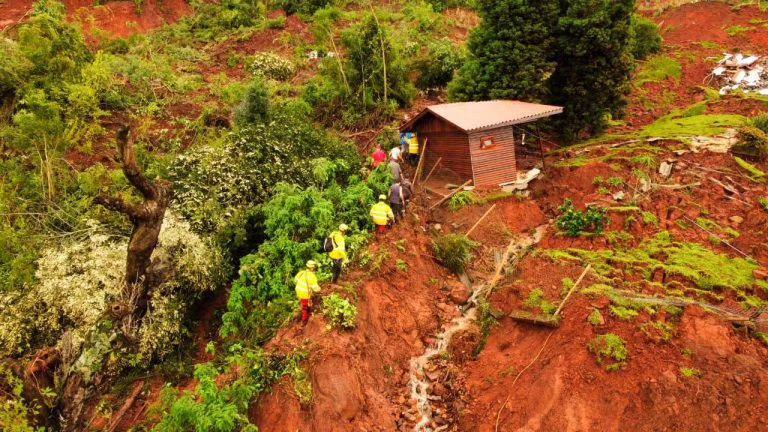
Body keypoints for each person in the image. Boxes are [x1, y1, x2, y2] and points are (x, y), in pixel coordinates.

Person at [294, 260, 321, 326]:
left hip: (298, 291)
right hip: (304, 294)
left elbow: (295, 280)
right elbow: (316, 289)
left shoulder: (301, 272)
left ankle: (307, 309)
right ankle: (304, 322)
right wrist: (320, 289)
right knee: (305, 308)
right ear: (312, 268)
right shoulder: (312, 276)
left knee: (304, 303)